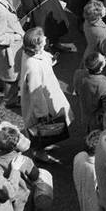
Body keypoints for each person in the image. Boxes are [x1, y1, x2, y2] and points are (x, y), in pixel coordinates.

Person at [19, 27, 72, 164]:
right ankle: (39, 153)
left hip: (48, 94)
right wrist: (42, 113)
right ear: (35, 46)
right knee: (39, 130)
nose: (45, 42)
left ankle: (45, 145)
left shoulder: (30, 53)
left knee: (45, 129)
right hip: (41, 103)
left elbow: (43, 57)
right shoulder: (33, 66)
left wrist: (51, 60)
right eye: (42, 42)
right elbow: (36, 92)